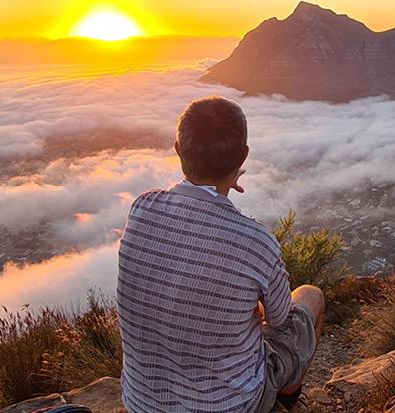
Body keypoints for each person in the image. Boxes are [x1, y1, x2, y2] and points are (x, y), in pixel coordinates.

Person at [117, 96, 324, 412]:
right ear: (243, 157)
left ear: (177, 149)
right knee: (310, 296)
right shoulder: (255, 241)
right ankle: (286, 398)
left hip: (141, 404)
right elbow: (281, 320)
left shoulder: (142, 208)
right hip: (230, 405)